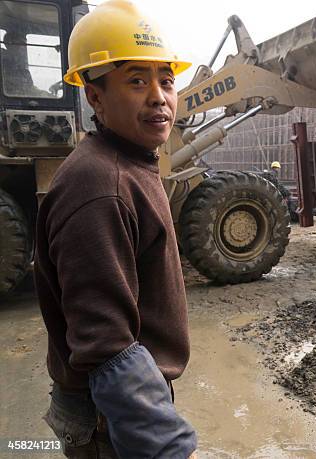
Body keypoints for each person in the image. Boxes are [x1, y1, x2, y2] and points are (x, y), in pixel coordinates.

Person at [33, 1, 197, 457]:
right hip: (110, 413)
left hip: (116, 405)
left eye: (166, 80)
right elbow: (107, 348)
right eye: (136, 81)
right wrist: (170, 447)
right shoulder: (102, 186)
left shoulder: (128, 162)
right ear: (95, 95)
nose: (158, 97)